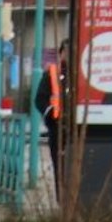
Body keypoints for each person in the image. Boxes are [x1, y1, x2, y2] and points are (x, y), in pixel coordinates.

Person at [33, 40, 67, 202]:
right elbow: (39, 99)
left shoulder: (81, 74)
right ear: (60, 54)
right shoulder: (52, 74)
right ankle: (61, 199)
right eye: (65, 51)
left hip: (77, 129)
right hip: (56, 126)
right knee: (59, 164)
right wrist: (50, 113)